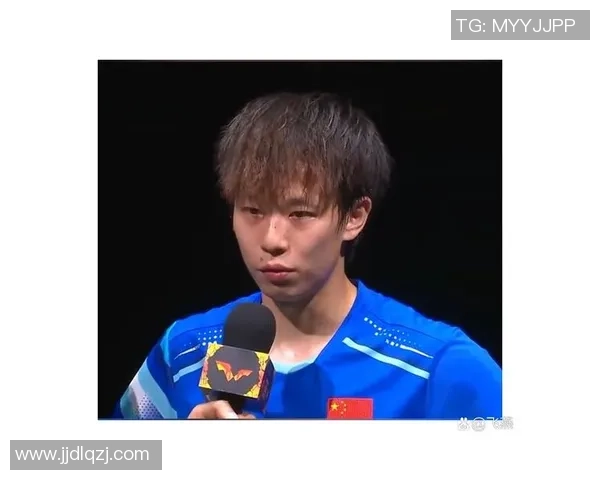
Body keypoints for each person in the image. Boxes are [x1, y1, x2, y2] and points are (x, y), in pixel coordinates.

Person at [113, 92, 502, 420]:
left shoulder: (439, 366)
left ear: (354, 217)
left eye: (300, 213)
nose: (272, 239)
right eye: (252, 210)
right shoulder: (182, 351)